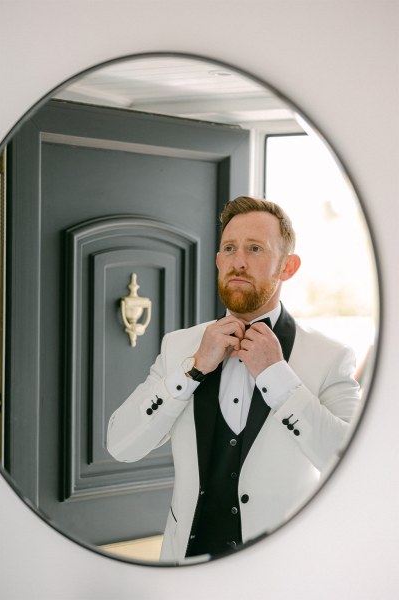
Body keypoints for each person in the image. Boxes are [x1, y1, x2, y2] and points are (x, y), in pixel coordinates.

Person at [107, 196, 360, 564]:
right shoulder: (179, 347)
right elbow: (120, 445)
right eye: (229, 248)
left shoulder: (329, 356)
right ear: (218, 261)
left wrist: (278, 378)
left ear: (288, 267)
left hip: (279, 571)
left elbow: (349, 466)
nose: (238, 261)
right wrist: (192, 370)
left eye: (255, 248)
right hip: (185, 567)